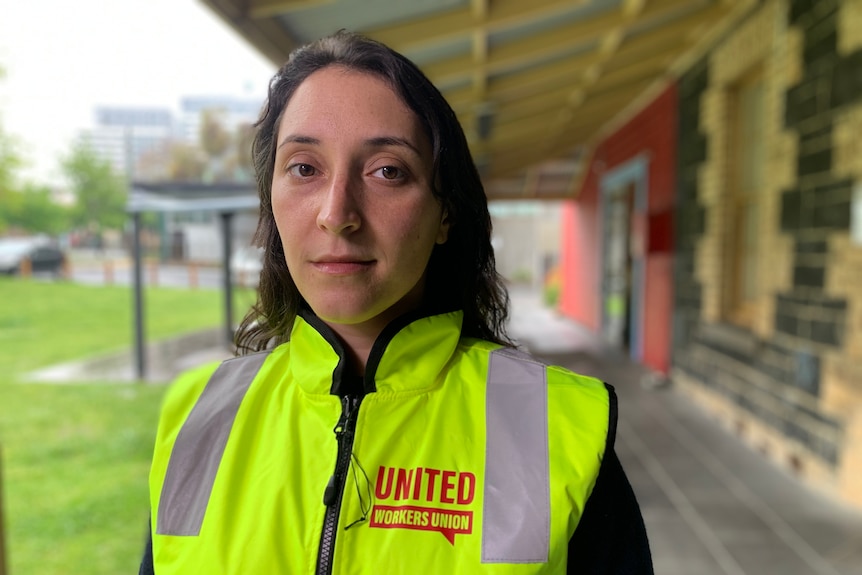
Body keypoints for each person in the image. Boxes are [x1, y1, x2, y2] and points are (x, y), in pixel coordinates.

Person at [139, 31, 652, 575]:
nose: (337, 214)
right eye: (304, 168)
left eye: (387, 170)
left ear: (445, 214)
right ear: (271, 202)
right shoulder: (196, 417)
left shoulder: (561, 428)